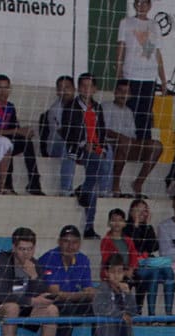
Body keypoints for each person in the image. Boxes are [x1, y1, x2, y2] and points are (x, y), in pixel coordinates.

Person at [61, 74, 115, 239]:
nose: (86, 89)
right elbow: (67, 130)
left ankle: (88, 226)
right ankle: (84, 192)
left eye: (90, 86)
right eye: (83, 86)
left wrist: (101, 146)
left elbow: (102, 130)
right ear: (79, 88)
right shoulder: (71, 106)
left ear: (95, 89)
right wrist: (84, 143)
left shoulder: (97, 107)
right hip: (79, 148)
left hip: (94, 148)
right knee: (98, 165)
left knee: (92, 187)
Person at [39, 224, 96, 336]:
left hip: (71, 301)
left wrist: (81, 294)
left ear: (79, 244)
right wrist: (80, 294)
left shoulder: (83, 260)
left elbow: (90, 291)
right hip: (48, 304)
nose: (70, 246)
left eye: (74, 242)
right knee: (66, 307)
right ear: (59, 242)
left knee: (98, 306)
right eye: (66, 241)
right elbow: (54, 293)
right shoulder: (50, 258)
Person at [114, 0, 166, 144]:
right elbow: (121, 47)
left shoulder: (155, 25)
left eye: (145, 3)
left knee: (145, 115)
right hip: (131, 75)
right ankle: (129, 146)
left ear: (150, 6)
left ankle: (144, 147)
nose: (141, 6)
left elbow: (157, 53)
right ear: (134, 5)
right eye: (138, 3)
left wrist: (163, 79)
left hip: (149, 77)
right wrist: (119, 71)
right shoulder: (126, 22)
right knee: (130, 113)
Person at [103, 80, 160, 200]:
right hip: (109, 146)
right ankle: (115, 184)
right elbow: (102, 130)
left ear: (130, 95)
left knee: (156, 146)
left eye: (126, 92)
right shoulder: (106, 106)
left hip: (127, 145)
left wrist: (128, 141)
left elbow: (132, 135)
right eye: (120, 91)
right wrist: (121, 138)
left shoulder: (129, 111)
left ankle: (138, 183)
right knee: (125, 142)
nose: (123, 95)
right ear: (115, 92)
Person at [125, 198, 169, 316]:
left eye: (145, 211)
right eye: (139, 210)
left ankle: (167, 312)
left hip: (145, 262)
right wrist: (136, 225)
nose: (142, 214)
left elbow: (153, 247)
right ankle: (147, 313)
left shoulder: (148, 228)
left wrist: (148, 226)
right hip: (131, 264)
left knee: (168, 267)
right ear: (131, 212)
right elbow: (134, 246)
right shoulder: (126, 227)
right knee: (151, 273)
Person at [39, 76, 77, 196]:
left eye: (67, 87)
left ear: (74, 89)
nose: (64, 91)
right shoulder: (55, 109)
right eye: (61, 88)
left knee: (105, 149)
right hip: (56, 145)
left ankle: (105, 191)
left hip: (79, 143)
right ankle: (66, 189)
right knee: (70, 146)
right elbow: (64, 133)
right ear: (57, 91)